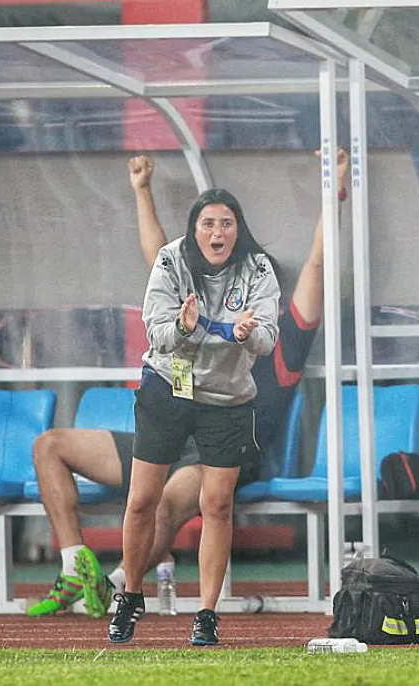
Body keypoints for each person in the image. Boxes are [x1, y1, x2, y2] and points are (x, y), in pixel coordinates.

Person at [26, 153, 345, 622]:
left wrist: (332, 192)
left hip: (224, 445)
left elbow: (317, 265)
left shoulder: (282, 337)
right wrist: (142, 191)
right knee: (51, 445)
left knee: (168, 501)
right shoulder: (193, 310)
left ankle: (118, 587)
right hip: (173, 425)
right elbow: (159, 256)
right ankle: (77, 566)